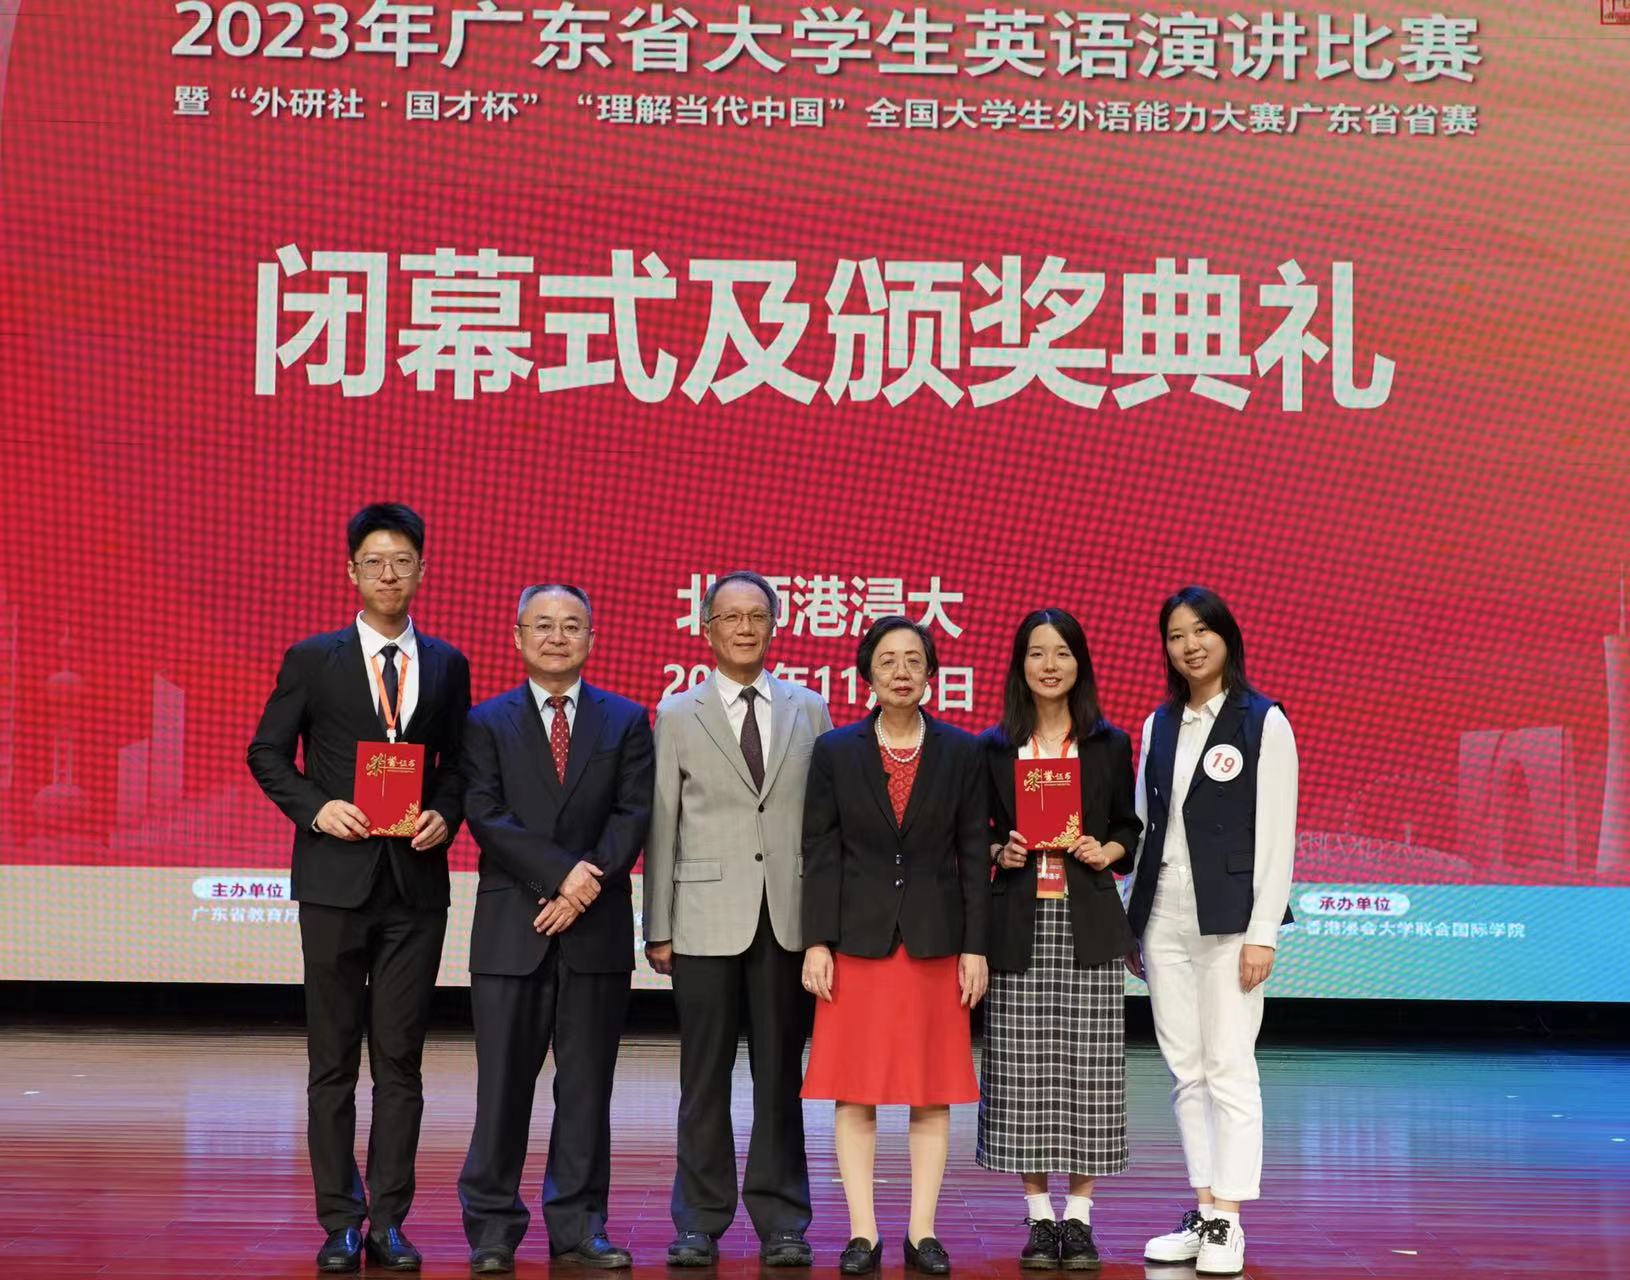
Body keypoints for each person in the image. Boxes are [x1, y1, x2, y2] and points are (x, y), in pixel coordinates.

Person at [247, 503, 471, 1274]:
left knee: (401, 1061)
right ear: (351, 571)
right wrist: (318, 808)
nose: (388, 573)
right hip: (335, 880)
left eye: (402, 561)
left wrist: (446, 813)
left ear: (422, 571)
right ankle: (341, 1220)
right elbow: (268, 753)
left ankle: (391, 1223)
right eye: (374, 561)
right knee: (333, 1061)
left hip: (415, 886)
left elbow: (460, 764)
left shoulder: (447, 663)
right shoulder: (314, 659)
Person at [457, 584, 654, 1275]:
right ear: (517, 637)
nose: (557, 637)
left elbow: (633, 814)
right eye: (542, 625)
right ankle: (492, 1229)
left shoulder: (625, 719)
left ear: (592, 639)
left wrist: (585, 884)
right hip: (512, 928)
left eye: (572, 626)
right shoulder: (486, 721)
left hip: (596, 931)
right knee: (501, 1089)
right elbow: (485, 812)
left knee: (587, 1090)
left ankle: (579, 1226)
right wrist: (562, 876)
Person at [641, 571, 834, 1268]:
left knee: (781, 1077)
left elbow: (826, 822)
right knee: (704, 1079)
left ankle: (783, 1219)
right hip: (701, 919)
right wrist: (656, 924)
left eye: (757, 616)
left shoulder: (809, 708)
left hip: (788, 919)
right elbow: (662, 822)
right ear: (707, 629)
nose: (745, 628)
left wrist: (827, 924)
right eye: (731, 617)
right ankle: (699, 1220)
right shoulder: (676, 713)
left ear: (775, 626)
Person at [800, 616, 990, 1277]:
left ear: (932, 674)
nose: (901, 672)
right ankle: (862, 1233)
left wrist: (975, 946)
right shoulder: (836, 751)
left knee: (929, 1091)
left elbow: (974, 852)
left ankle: (922, 1232)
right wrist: (817, 941)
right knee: (854, 1091)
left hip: (936, 945)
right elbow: (820, 851)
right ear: (867, 676)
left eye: (914, 660)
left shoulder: (961, 752)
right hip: (858, 942)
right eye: (888, 661)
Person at [1125, 587, 1298, 1278]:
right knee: (1186, 1071)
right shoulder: (1158, 724)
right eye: (1176, 636)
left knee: (1229, 1067)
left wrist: (1264, 932)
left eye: (1201, 631)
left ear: (1227, 636)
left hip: (1230, 919)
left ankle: (1230, 1217)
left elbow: (1277, 836)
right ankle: (1203, 1211)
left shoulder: (1264, 721)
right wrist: (1134, 919)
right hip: (1163, 917)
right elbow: (1146, 828)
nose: (1190, 646)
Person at [978, 609, 1141, 1271]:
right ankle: (1039, 1217)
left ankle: (1080, 1216)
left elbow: (1129, 828)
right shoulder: (994, 747)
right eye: (1038, 653)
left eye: (1063, 653)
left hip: (1088, 921)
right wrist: (1001, 850)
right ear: (1020, 665)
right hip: (1019, 920)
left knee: (1090, 1072)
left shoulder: (1108, 743)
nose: (1050, 665)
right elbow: (974, 834)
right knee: (1021, 1072)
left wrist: (1108, 850)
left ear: (1081, 663)